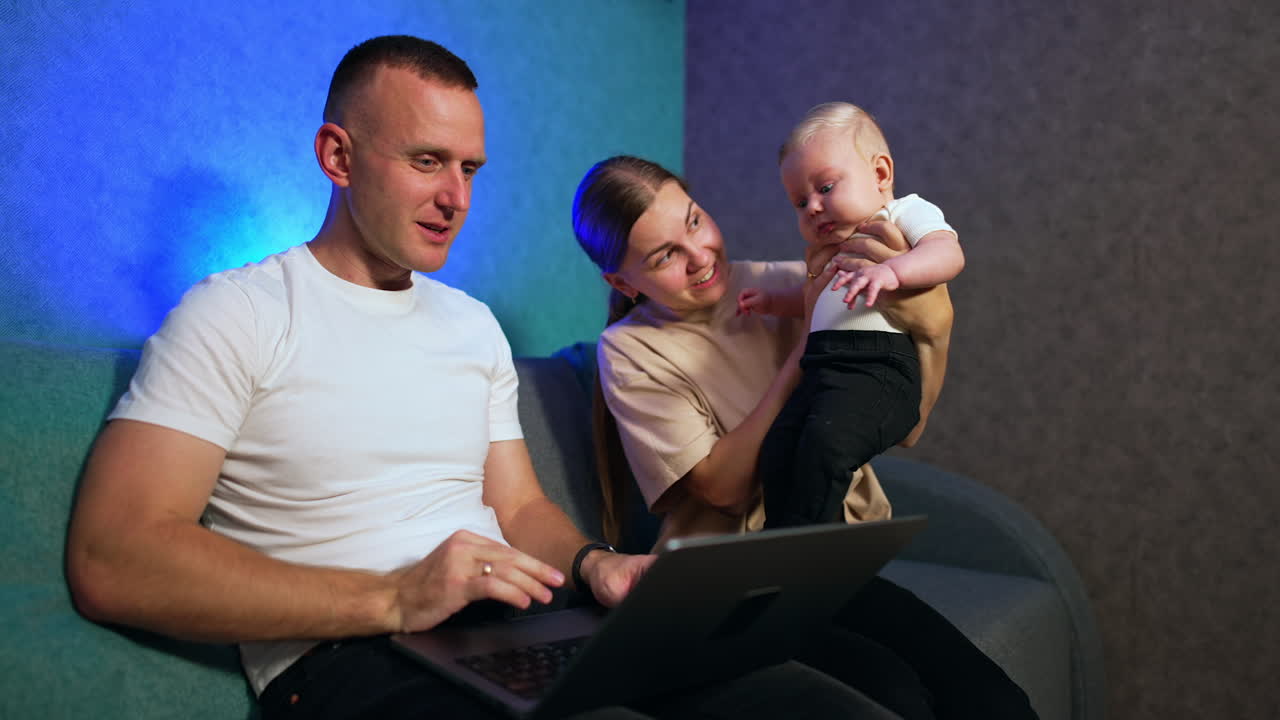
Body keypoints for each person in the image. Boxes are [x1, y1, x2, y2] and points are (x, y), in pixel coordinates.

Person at [64, 36, 897, 720]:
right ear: (337, 156)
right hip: (349, 662)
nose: (455, 197)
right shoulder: (235, 313)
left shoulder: (469, 323)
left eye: (470, 169)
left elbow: (522, 508)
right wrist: (393, 597)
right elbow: (114, 555)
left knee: (829, 709)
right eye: (428, 161)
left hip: (518, 627)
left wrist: (593, 567)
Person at [573, 155, 1038, 719]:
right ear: (621, 281)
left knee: (998, 704)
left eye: (695, 222)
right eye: (665, 255)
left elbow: (904, 426)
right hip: (730, 595)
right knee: (896, 699)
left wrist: (930, 320)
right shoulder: (628, 350)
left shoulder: (790, 281)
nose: (700, 256)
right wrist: (805, 349)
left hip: (833, 568)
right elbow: (722, 488)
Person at [738, 102, 966, 527]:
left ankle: (812, 549)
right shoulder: (830, 253)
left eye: (825, 188)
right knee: (779, 450)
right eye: (799, 202)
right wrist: (772, 303)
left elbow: (947, 254)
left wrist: (893, 270)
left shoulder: (902, 213)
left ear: (880, 174)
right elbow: (817, 302)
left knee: (826, 446)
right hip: (823, 369)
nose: (813, 208)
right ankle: (781, 541)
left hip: (876, 366)